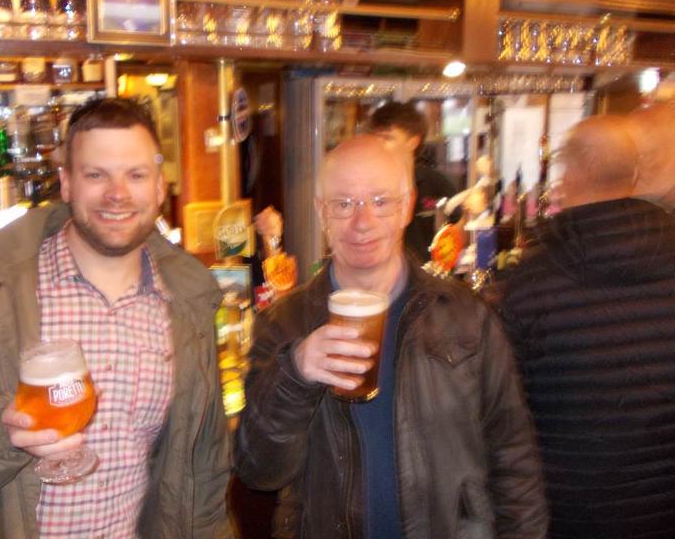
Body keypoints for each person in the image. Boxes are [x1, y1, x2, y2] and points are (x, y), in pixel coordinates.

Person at [0, 98, 232, 538]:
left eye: (136, 175)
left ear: (160, 188)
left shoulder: (188, 302)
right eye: (96, 175)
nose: (118, 193)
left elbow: (202, 470)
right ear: (66, 184)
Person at [234, 134, 547, 538]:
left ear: (407, 206)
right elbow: (259, 470)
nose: (362, 222)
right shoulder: (284, 323)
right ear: (321, 211)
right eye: (343, 204)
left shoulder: (466, 316)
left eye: (381, 201)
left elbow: (514, 459)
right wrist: (295, 373)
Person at [495, 115, 675, 538]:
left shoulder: (531, 283)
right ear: (633, 175)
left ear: (567, 176)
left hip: (567, 512)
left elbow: (505, 419)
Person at [369, 101, 457, 262]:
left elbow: (458, 227)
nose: (379, 145)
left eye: (387, 138)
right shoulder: (366, 185)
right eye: (375, 138)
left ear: (413, 142)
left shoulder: (434, 183)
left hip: (428, 273)